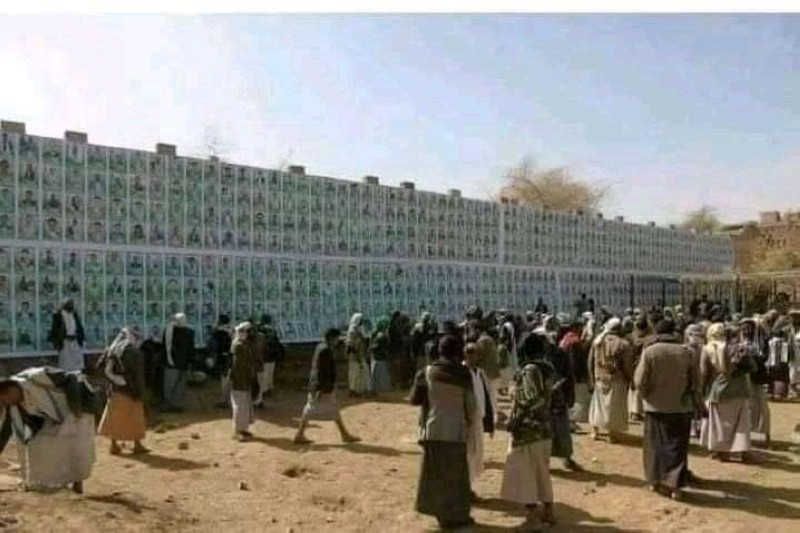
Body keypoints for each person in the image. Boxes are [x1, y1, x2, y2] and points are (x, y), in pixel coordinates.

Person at [410, 335, 475, 530]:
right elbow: (471, 406)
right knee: (456, 476)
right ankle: (457, 515)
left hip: (434, 429)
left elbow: (415, 399)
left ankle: (441, 516)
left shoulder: (428, 372)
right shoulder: (464, 374)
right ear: (458, 352)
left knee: (435, 475)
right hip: (456, 432)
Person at [0, 367, 96, 493]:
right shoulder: (14, 405)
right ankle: (57, 482)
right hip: (56, 417)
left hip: (80, 406)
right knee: (41, 445)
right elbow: (5, 431)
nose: (6, 403)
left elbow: (71, 378)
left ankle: (77, 483)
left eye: (4, 399)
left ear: (10, 390)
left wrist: (75, 408)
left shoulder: (37, 377)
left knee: (76, 447)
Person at [634, 320, 701, 501]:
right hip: (681, 407)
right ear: (673, 333)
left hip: (655, 407)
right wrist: (694, 400)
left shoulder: (650, 352)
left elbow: (639, 381)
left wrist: (647, 396)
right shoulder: (688, 352)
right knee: (677, 448)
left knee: (655, 447)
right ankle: (675, 487)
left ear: (657, 333)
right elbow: (696, 381)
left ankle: (655, 482)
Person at [500, 344, 556, 528]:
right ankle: (548, 512)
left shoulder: (528, 371)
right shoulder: (547, 370)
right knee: (542, 473)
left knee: (526, 476)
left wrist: (514, 421)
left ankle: (532, 519)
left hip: (527, 433)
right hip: (544, 431)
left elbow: (530, 400)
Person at [294, 328, 360, 445]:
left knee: (327, 409)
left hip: (320, 385)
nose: (337, 341)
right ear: (331, 338)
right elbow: (322, 371)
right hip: (322, 386)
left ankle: (344, 433)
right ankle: (300, 434)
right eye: (336, 338)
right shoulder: (325, 350)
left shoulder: (321, 347)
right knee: (311, 409)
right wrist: (321, 388)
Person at [700, 323, 755, 462]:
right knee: (742, 422)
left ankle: (721, 452)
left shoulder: (708, 349)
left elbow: (704, 373)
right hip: (740, 388)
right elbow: (753, 367)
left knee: (720, 423)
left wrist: (701, 391)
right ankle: (743, 452)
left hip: (719, 389)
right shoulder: (740, 348)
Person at [97, 328, 149, 455]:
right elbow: (138, 375)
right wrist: (140, 392)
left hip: (114, 389)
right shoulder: (134, 352)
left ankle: (114, 445)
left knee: (114, 418)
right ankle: (137, 444)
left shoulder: (110, 350)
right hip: (131, 390)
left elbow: (99, 367)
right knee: (135, 418)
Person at [588, 317, 633, 443]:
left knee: (598, 406)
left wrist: (591, 377)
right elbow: (627, 365)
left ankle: (595, 431)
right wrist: (630, 378)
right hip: (617, 379)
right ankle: (611, 434)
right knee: (613, 408)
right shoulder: (623, 344)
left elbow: (590, 361)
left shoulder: (598, 341)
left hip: (599, 377)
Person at [463, 342, 494, 496]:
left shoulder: (480, 373)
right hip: (467, 419)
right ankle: (465, 488)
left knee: (476, 454)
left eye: (474, 353)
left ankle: (469, 486)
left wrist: (490, 421)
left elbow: (487, 396)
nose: (472, 357)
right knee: (468, 454)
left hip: (479, 418)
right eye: (469, 353)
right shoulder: (462, 372)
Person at [740, 318, 771, 448]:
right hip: (743, 378)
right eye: (743, 328)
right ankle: (750, 435)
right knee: (749, 406)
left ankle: (763, 434)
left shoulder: (762, 342)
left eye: (748, 327)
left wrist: (751, 357)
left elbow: (765, 357)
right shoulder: (738, 341)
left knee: (762, 406)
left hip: (757, 378)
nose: (745, 330)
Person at [230, 322, 258, 441]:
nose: (246, 333)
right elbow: (237, 366)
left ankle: (243, 428)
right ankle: (237, 431)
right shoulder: (238, 345)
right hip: (239, 380)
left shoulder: (243, 344)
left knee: (245, 405)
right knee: (239, 405)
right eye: (243, 331)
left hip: (245, 379)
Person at [162, 313, 195, 413]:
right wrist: (190, 363)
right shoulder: (190, 332)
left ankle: (169, 405)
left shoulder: (169, 331)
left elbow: (164, 346)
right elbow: (191, 349)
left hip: (171, 363)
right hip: (184, 363)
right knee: (180, 385)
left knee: (169, 385)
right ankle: (178, 405)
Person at [560, 319, 590, 426]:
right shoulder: (575, 341)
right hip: (574, 374)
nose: (582, 330)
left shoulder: (564, 339)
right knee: (577, 398)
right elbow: (574, 361)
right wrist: (579, 375)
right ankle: (573, 421)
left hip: (564, 372)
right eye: (580, 328)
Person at [627, 317, 654, 424]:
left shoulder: (631, 337)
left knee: (633, 387)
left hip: (633, 364)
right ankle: (636, 412)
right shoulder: (650, 339)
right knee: (639, 386)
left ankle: (633, 411)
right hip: (641, 364)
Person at [48, 299, 86, 371]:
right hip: (64, 341)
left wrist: (81, 337)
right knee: (65, 361)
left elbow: (79, 327)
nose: (71, 306)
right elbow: (55, 329)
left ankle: (77, 374)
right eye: (69, 304)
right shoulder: (58, 315)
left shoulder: (74, 314)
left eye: (72, 304)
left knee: (77, 360)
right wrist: (56, 341)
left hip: (74, 340)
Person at [684, 323, 706, 439]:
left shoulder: (703, 349)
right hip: (689, 380)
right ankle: (691, 428)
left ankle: (699, 428)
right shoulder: (684, 349)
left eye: (699, 335)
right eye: (693, 335)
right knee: (690, 405)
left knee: (699, 405)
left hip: (700, 380)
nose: (696, 337)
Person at [210, 314, 234, 409]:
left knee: (225, 379)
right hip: (232, 357)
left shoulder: (219, 332)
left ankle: (225, 400)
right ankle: (229, 400)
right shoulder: (233, 330)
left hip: (223, 358)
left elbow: (214, 343)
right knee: (230, 379)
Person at [257, 314, 284, 398]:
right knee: (270, 371)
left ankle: (264, 389)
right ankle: (270, 387)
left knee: (264, 371)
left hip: (265, 353)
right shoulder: (273, 330)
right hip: (273, 353)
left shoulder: (260, 329)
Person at [346, 313, 370, 397]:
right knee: (354, 373)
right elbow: (350, 345)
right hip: (354, 356)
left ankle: (361, 390)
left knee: (363, 372)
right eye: (361, 320)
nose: (362, 321)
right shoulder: (352, 331)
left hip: (360, 354)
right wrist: (356, 356)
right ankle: (353, 390)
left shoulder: (359, 329)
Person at [369, 317, 392, 396]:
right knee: (381, 376)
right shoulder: (382, 335)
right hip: (380, 358)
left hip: (376, 358)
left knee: (376, 376)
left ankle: (375, 390)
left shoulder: (375, 334)